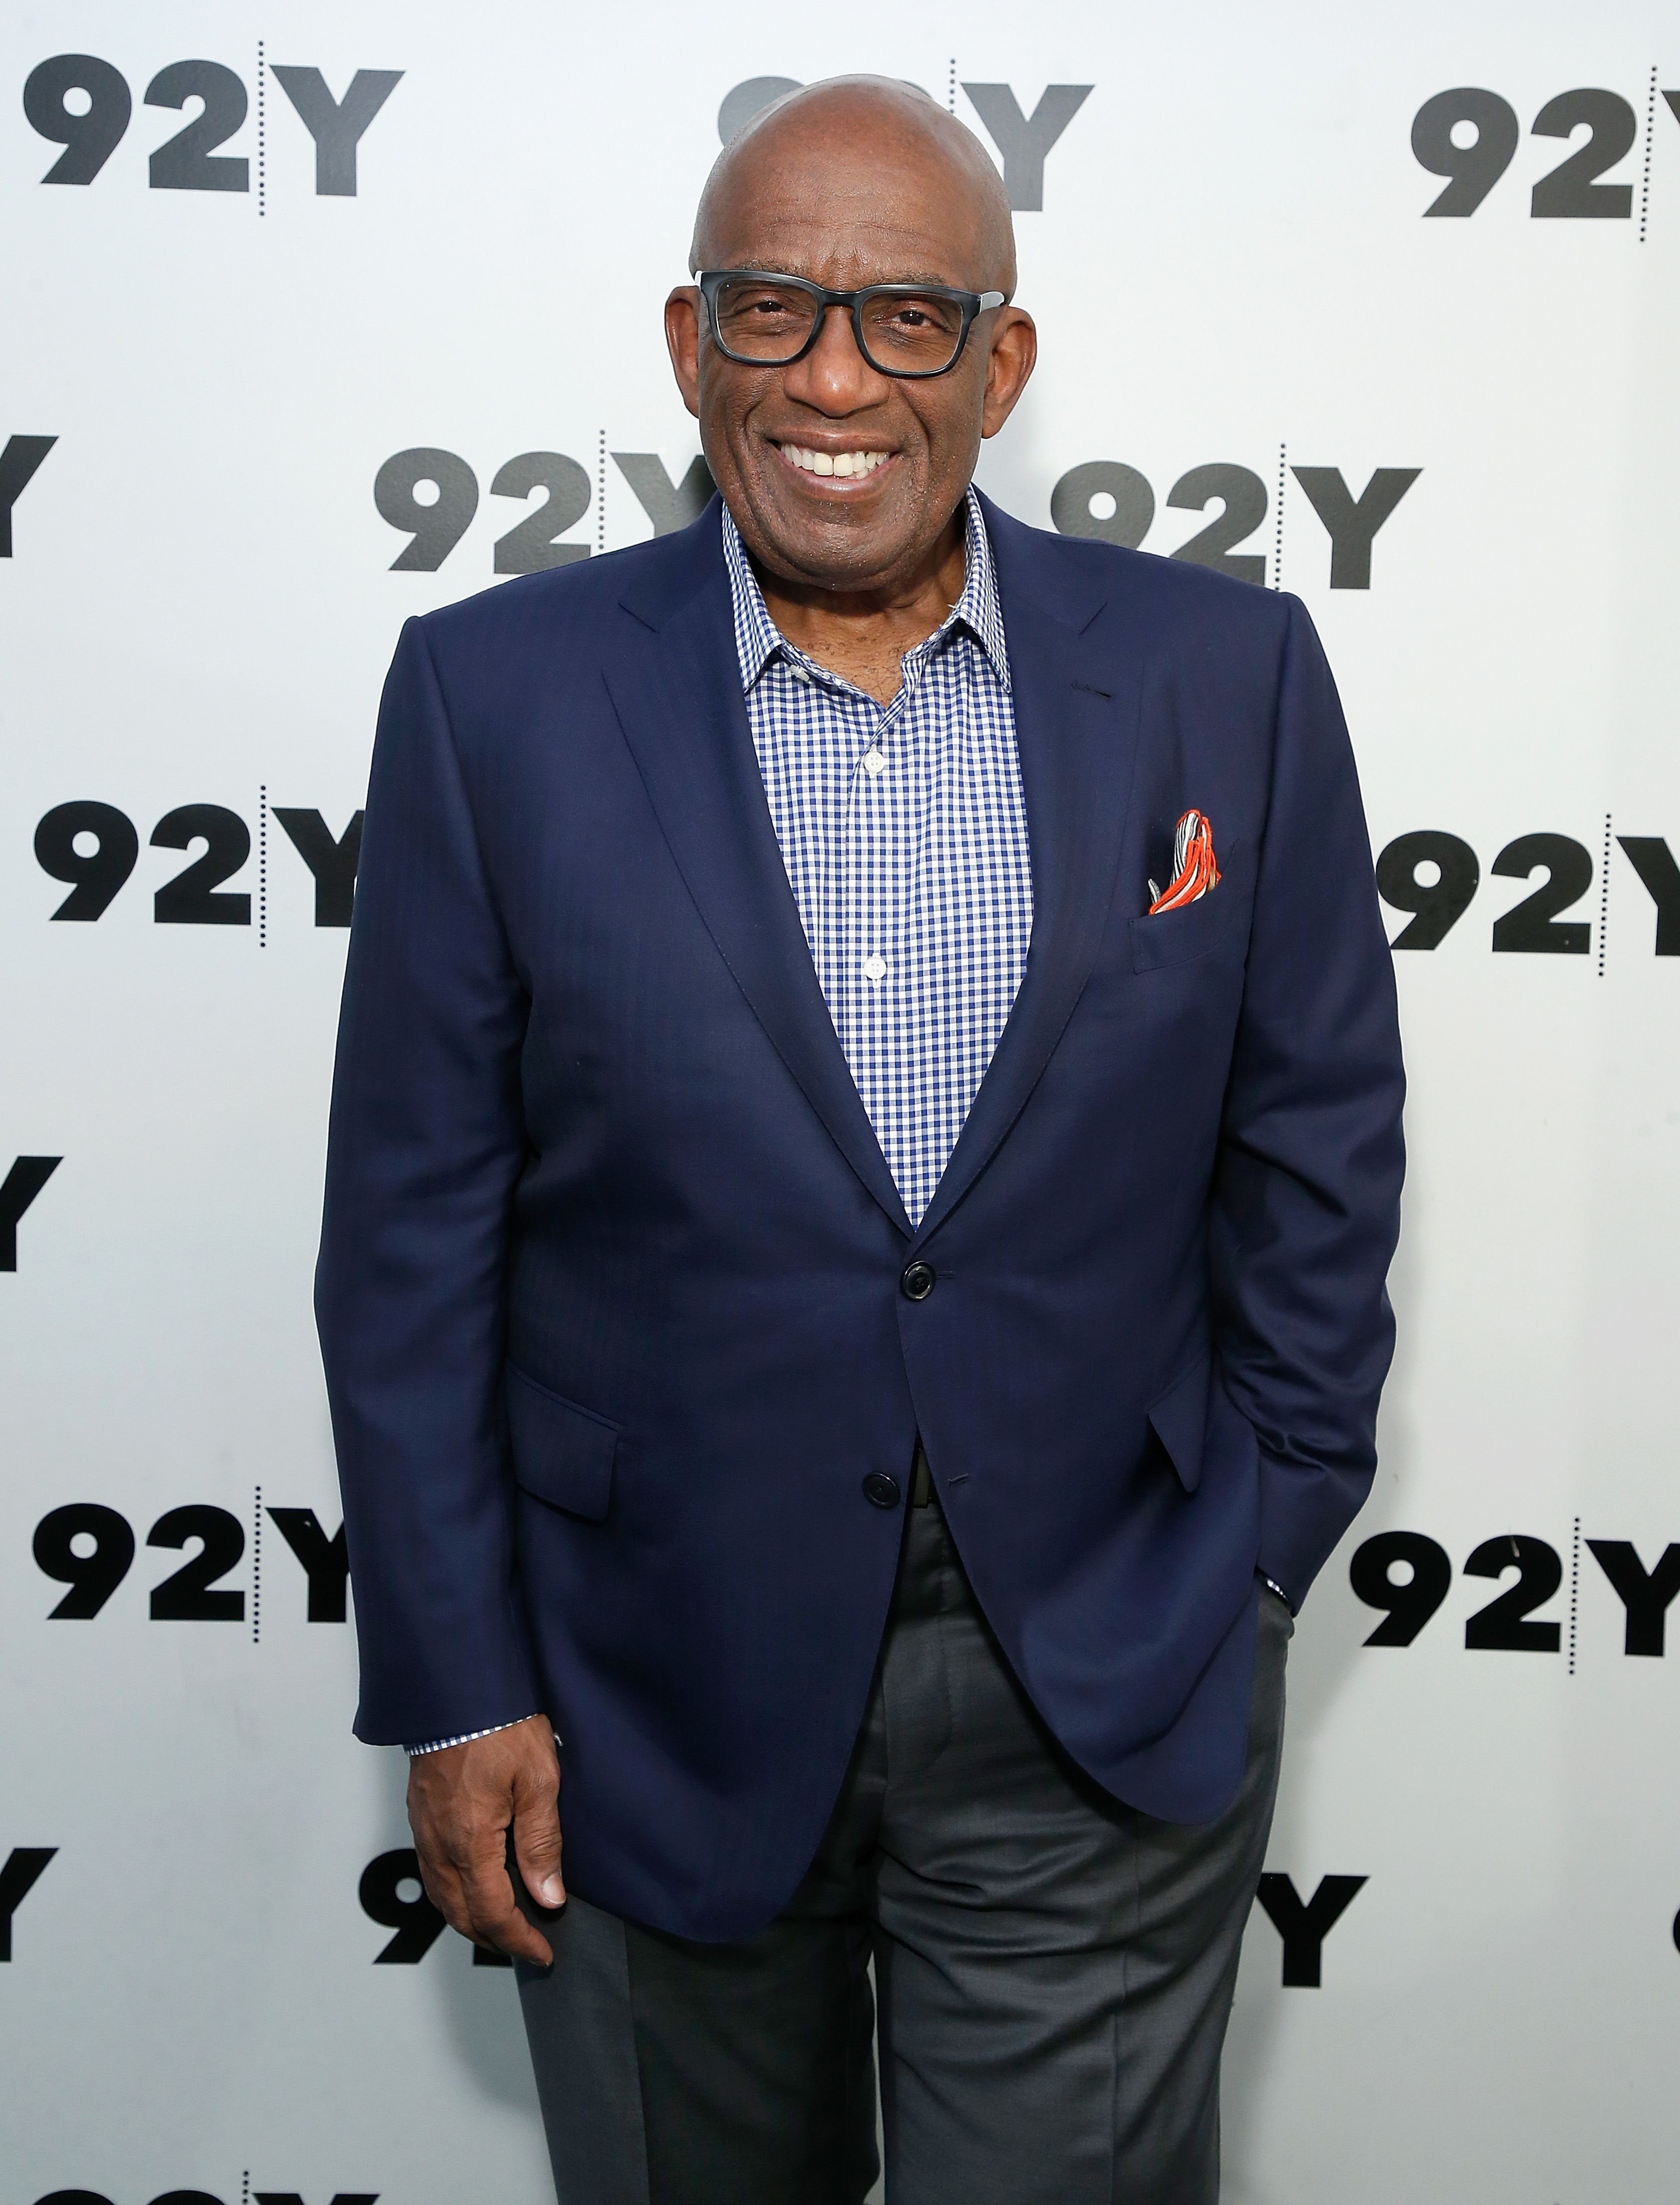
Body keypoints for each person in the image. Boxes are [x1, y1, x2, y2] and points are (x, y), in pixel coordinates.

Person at [316, 74, 1405, 2205]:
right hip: (637, 1693)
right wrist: (458, 1686)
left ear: (999, 362)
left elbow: (1316, 1151)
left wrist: (1252, 1561)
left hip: (1098, 1673)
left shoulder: (1227, 674)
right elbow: (413, 1237)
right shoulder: (492, 694)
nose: (833, 375)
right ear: (683, 344)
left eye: (906, 319)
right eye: (771, 309)